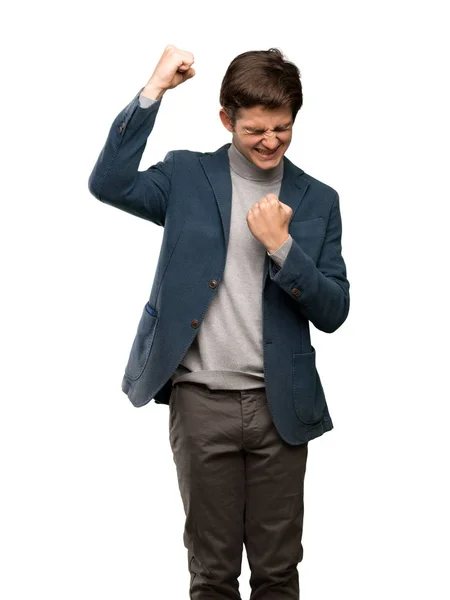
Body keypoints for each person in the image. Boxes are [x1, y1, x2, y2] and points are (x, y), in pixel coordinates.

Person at [88, 44, 350, 600]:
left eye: (283, 128)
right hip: (200, 401)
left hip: (282, 409)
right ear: (227, 119)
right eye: (255, 128)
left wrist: (283, 249)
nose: (270, 141)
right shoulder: (186, 175)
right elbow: (108, 183)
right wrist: (151, 91)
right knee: (211, 574)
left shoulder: (319, 200)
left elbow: (334, 311)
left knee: (278, 573)